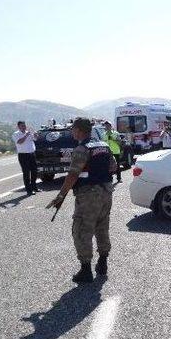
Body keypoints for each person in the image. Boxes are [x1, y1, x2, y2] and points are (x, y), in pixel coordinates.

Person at [46, 118, 117, 283]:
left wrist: (61, 195)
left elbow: (72, 174)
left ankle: (86, 271)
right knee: (102, 226)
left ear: (78, 130)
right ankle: (102, 263)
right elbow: (113, 167)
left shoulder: (81, 149)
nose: (71, 132)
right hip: (106, 191)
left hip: (88, 195)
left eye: (73, 129)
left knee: (82, 230)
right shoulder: (104, 146)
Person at [12, 121, 39, 195]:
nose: (24, 127)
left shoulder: (29, 132)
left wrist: (36, 135)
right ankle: (28, 190)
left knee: (34, 171)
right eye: (22, 126)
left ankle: (34, 187)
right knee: (26, 172)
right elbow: (20, 142)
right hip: (23, 155)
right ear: (18, 127)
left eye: (24, 125)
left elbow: (35, 139)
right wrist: (26, 135)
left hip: (32, 154)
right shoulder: (16, 134)